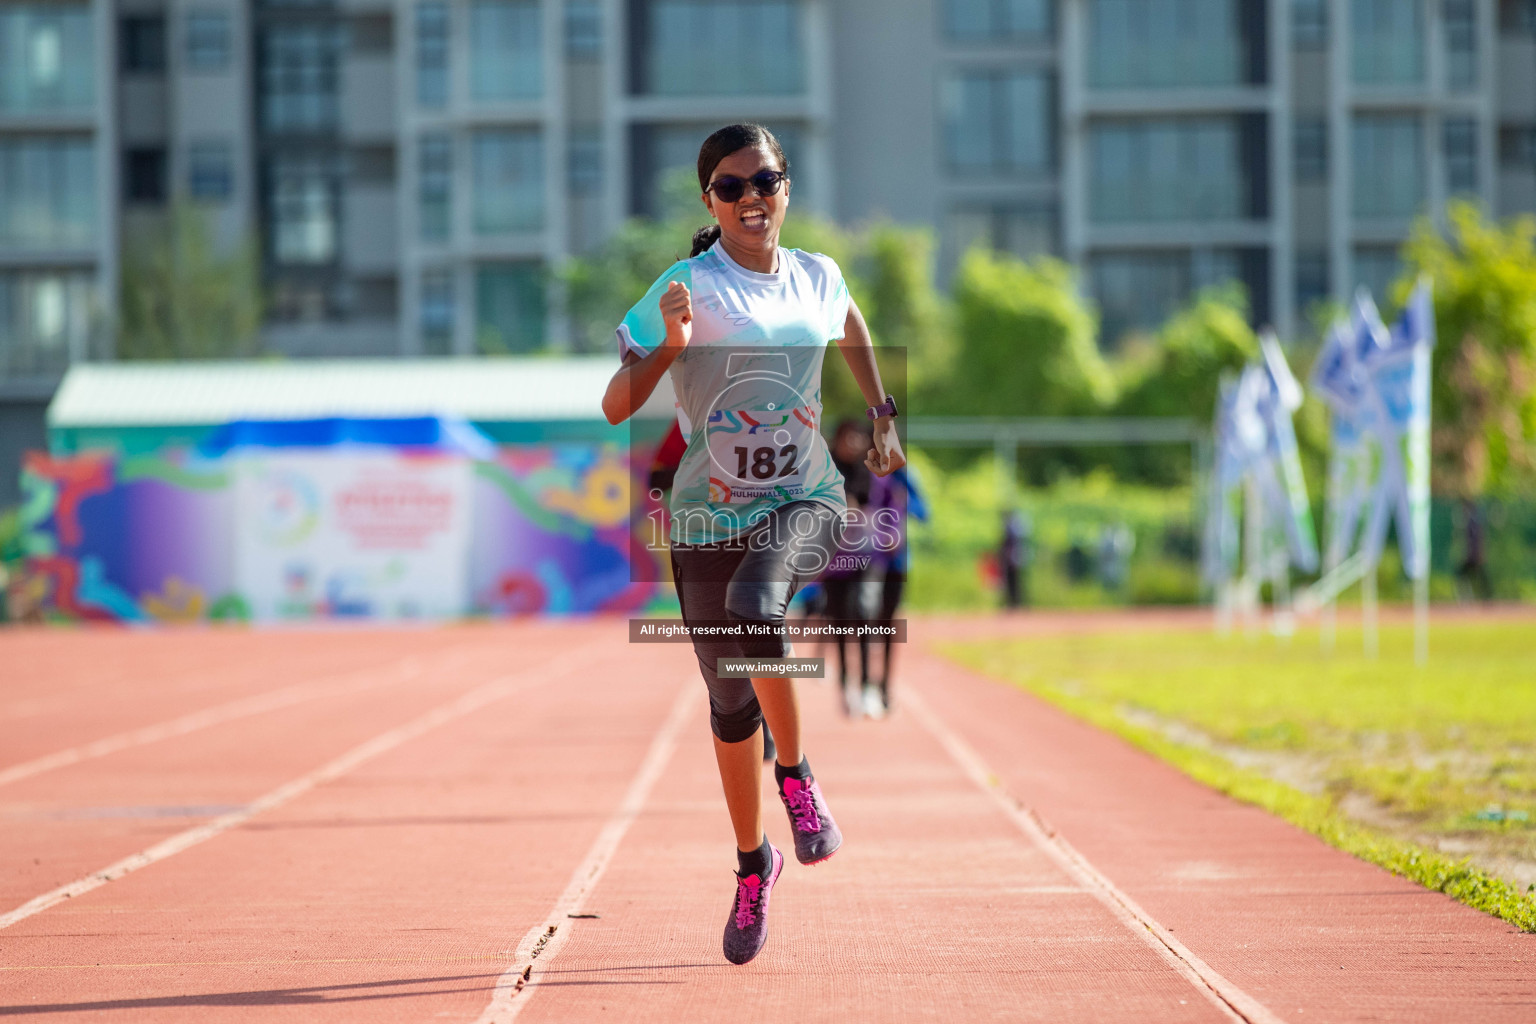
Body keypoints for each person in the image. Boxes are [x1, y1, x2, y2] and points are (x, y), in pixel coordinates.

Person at [601, 123, 905, 966]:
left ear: (785, 187)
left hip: (804, 497)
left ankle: (799, 781)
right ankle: (752, 863)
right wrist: (668, 346)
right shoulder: (685, 284)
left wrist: (881, 412)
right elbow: (614, 407)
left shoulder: (817, 274)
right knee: (730, 706)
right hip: (706, 519)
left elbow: (848, 320)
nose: (749, 199)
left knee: (755, 607)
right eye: (730, 187)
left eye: (763, 181)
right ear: (709, 201)